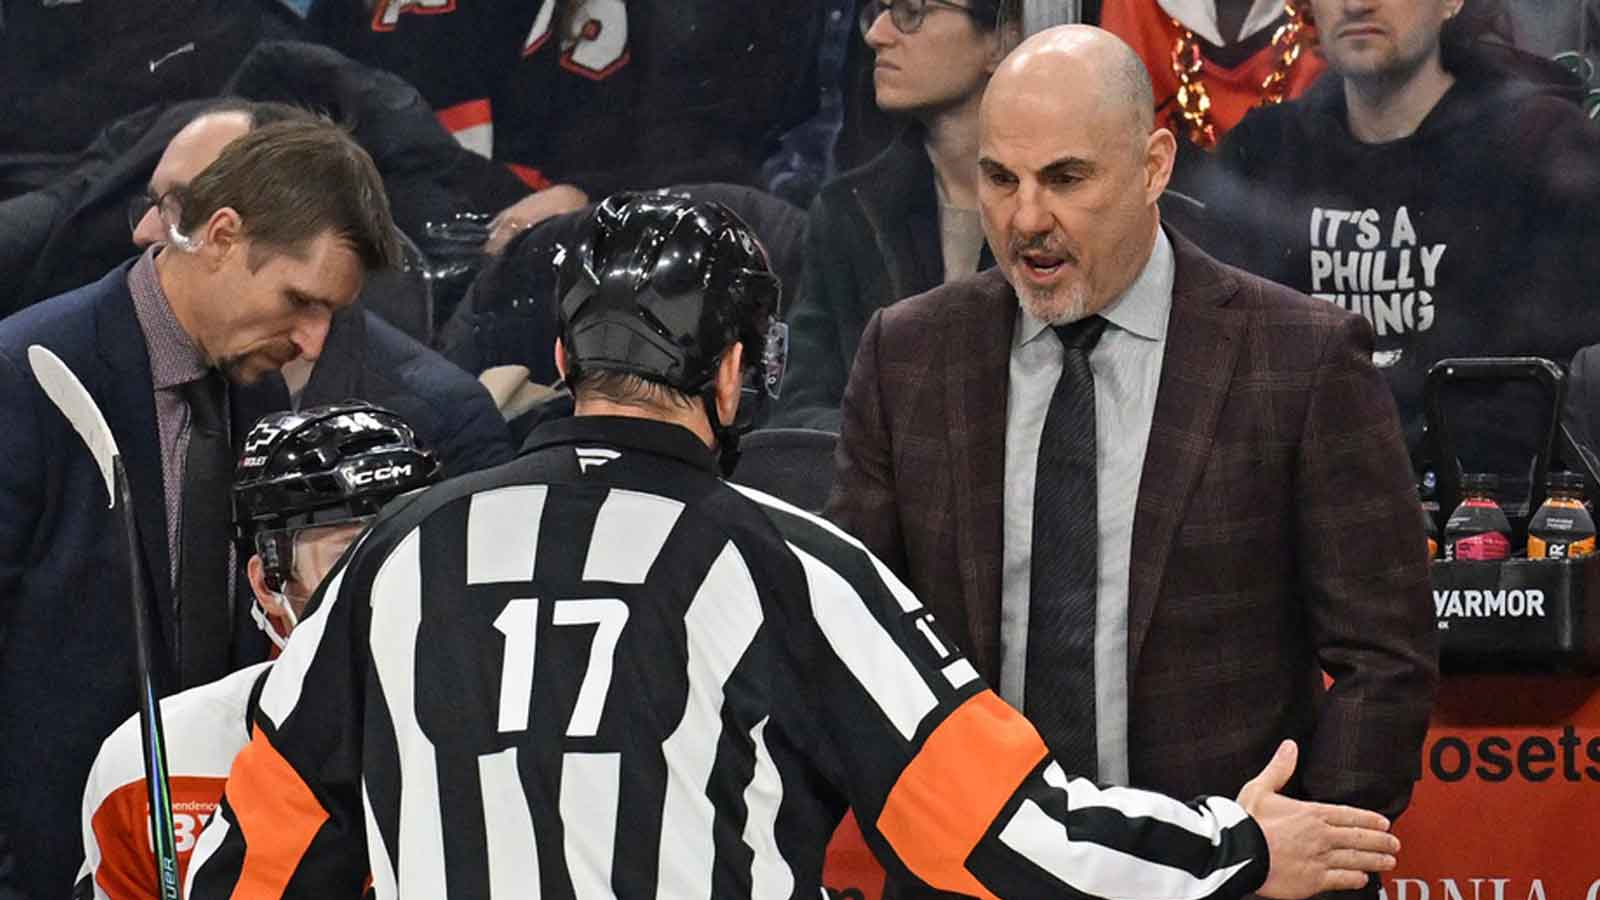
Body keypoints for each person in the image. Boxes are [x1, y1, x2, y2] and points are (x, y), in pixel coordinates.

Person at [185, 193, 1401, 900]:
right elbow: (1002, 841)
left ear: (562, 361)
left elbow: (247, 861)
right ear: (731, 371)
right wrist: (1236, 850)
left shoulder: (395, 556)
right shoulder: (788, 568)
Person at [828, 25, 1438, 899]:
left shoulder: (1298, 359)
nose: (1025, 218)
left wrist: (1294, 850)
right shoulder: (908, 356)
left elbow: (1387, 658)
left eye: (1067, 178)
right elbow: (863, 647)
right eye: (1000, 179)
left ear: (1156, 166)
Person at [0, 117, 399, 900]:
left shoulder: (255, 395)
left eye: (330, 316)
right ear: (221, 234)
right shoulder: (26, 376)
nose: (314, 341)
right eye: (299, 300)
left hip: (210, 863)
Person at [1199, 0, 1600, 482]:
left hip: (1484, 522)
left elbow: (1550, 393)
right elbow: (1214, 374)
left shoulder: (1540, 152)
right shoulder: (1261, 158)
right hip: (1290, 512)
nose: (1355, 4)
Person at [74, 402, 441, 900]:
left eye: (405, 549)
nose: (381, 586)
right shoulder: (151, 761)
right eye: (347, 558)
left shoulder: (518, 739)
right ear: (268, 585)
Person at [130, 101, 516, 476]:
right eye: (155, 201)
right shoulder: (103, 368)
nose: (143, 233)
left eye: (183, 209)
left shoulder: (441, 421)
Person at [773, 0, 1013, 430]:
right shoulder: (845, 212)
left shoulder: (1059, 214)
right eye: (879, 10)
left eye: (911, 12)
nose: (877, 34)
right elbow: (798, 413)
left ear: (1000, 41)